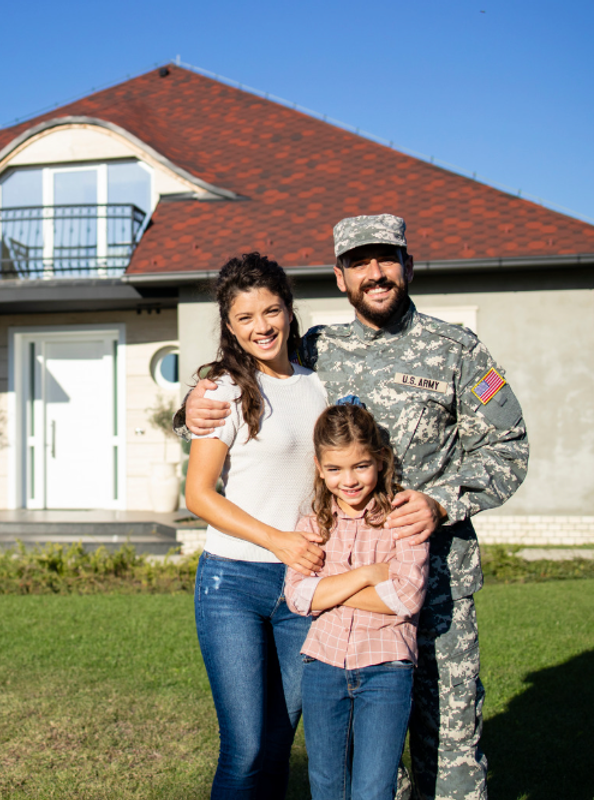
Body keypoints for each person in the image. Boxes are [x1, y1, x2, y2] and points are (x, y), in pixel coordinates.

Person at [182, 214, 529, 800]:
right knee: (360, 755)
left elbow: (509, 447)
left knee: (450, 747)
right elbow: (248, 389)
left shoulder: (457, 349)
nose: (376, 273)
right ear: (339, 278)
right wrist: (190, 403)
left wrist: (441, 502)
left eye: (387, 259)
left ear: (408, 266)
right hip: (346, 586)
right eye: (360, 263)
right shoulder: (321, 351)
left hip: (437, 585)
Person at [184, 252, 328, 799]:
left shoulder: (319, 387)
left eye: (270, 311)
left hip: (300, 588)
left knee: (277, 744)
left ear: (290, 312)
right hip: (233, 585)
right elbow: (198, 495)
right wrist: (279, 541)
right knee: (244, 749)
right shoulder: (222, 391)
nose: (261, 327)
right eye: (245, 318)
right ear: (229, 326)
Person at [285, 400, 429, 800]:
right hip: (323, 668)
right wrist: (366, 576)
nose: (348, 480)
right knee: (328, 785)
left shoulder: (401, 519)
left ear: (380, 461)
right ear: (319, 466)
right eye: (334, 469)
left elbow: (405, 595)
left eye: (360, 466)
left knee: (373, 789)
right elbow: (298, 596)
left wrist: (329, 590)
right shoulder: (312, 524)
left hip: (386, 670)